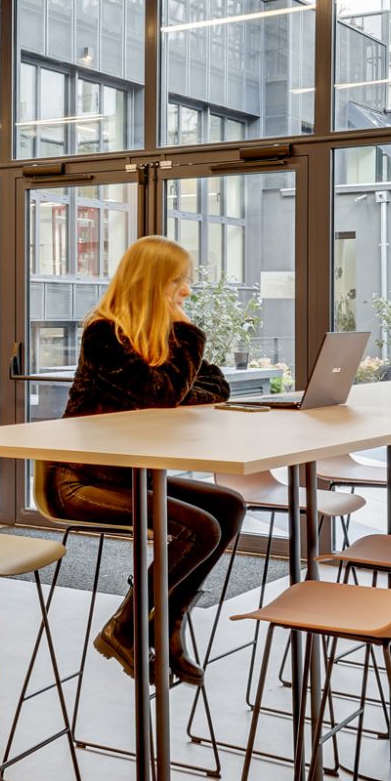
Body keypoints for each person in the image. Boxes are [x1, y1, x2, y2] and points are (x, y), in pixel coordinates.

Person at [42, 235, 244, 687]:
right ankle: (128, 627)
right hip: (80, 481)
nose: (186, 291)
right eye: (177, 282)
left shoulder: (159, 340)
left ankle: (166, 624)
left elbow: (216, 387)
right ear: (150, 283)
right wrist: (186, 337)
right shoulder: (103, 335)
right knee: (201, 528)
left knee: (228, 506)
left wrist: (177, 383)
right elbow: (165, 394)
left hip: (130, 477)